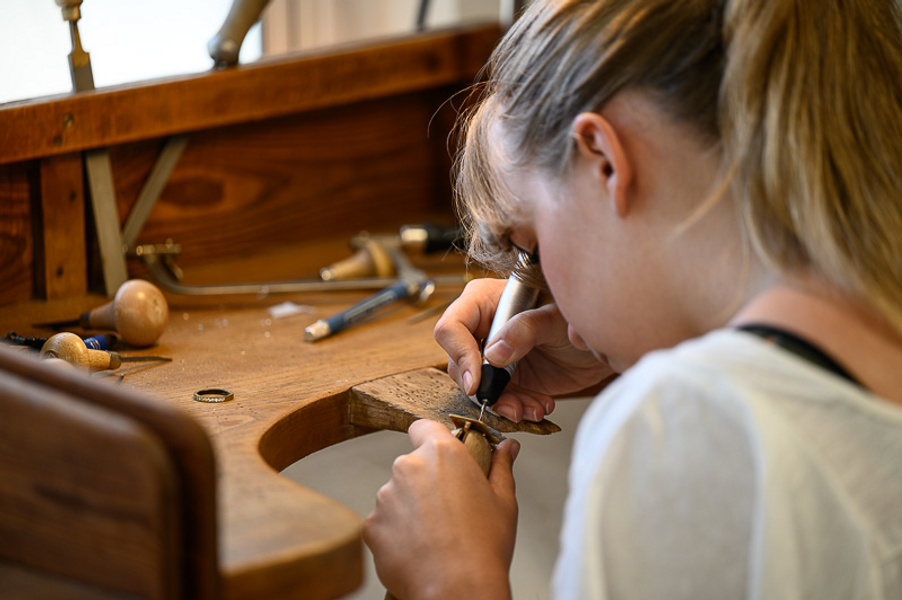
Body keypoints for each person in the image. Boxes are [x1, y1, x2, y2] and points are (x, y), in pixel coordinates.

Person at [363, 0, 902, 598]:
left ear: (604, 161)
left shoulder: (682, 422)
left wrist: (452, 578)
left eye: (532, 249)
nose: (551, 303)